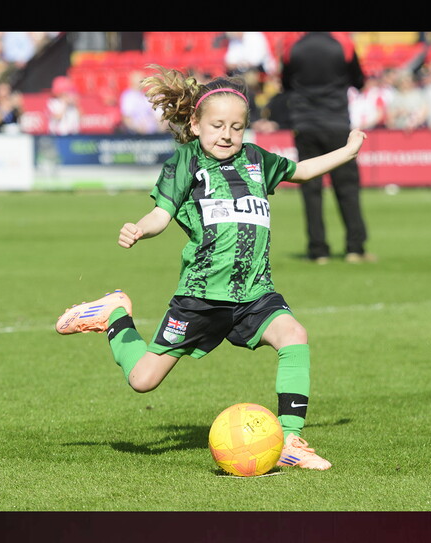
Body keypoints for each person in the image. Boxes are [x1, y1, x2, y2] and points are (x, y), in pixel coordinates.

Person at [55, 65, 369, 471]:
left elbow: (304, 170)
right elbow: (161, 215)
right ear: (197, 125)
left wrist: (348, 151)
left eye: (237, 127)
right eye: (218, 125)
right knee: (143, 380)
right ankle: (115, 314)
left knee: (294, 335)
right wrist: (139, 229)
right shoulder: (185, 162)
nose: (227, 135)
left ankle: (290, 440)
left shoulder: (257, 159)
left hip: (255, 292)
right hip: (200, 296)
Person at [282, 31, 373, 264]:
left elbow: (285, 83)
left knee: (310, 189)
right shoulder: (342, 44)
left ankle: (318, 250)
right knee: (347, 187)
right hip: (336, 123)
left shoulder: (294, 46)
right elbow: (359, 81)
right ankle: (355, 248)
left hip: (305, 124)